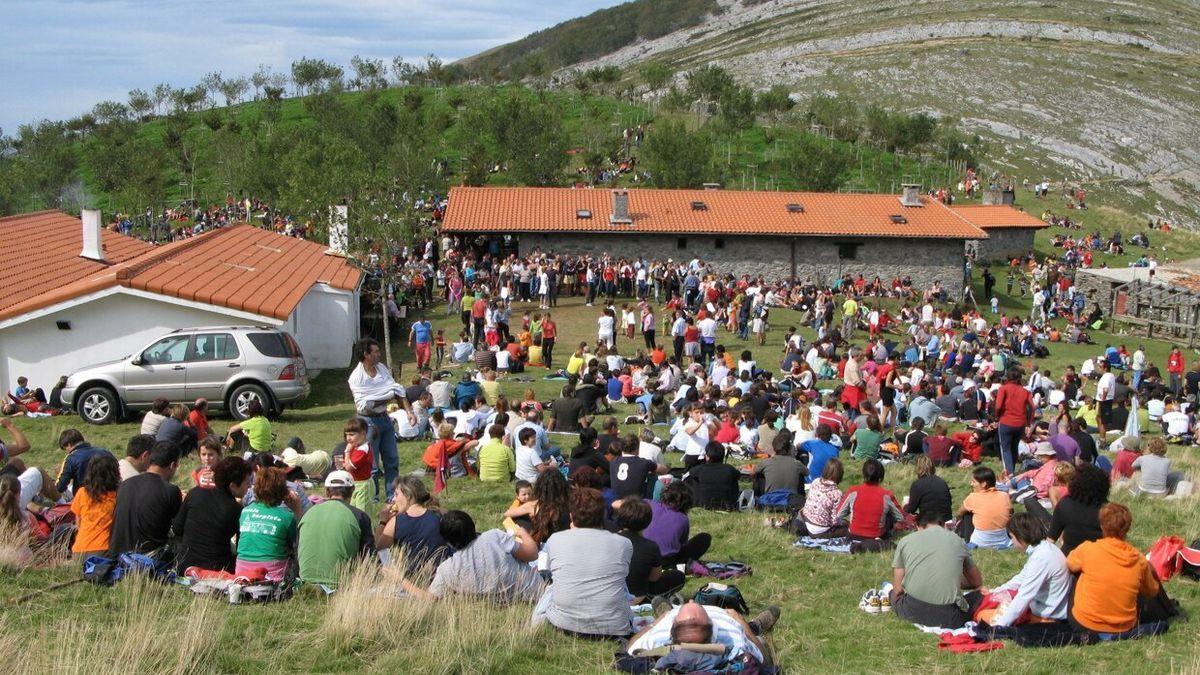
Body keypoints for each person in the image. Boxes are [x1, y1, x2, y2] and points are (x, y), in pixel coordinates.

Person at [532, 487, 634, 638]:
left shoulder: (555, 540)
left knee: (553, 587)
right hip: (613, 627)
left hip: (563, 624)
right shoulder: (623, 543)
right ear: (602, 515)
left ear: (571, 516)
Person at [1067, 503, 1163, 639]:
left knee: (1078, 572)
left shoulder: (1088, 549)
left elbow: (1070, 563)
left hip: (1085, 623)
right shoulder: (1138, 559)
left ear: (1102, 526)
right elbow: (1152, 591)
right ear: (1127, 529)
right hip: (1124, 626)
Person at [405, 510, 544, 602]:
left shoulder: (447, 569)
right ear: (472, 525)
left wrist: (400, 579)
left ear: (448, 541)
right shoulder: (494, 536)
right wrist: (523, 533)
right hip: (533, 591)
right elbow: (532, 554)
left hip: (501, 603)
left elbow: (430, 598)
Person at [889, 509, 984, 629]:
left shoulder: (905, 541)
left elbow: (898, 589)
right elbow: (977, 582)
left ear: (917, 526)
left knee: (892, 594)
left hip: (911, 611)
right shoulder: (958, 541)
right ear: (944, 525)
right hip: (949, 618)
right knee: (980, 595)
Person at [982, 513, 1070, 630]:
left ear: (1021, 536)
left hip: (1050, 615)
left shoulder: (1042, 557)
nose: (1012, 542)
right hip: (1049, 609)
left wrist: (999, 626)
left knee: (982, 615)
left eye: (1012, 537)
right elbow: (1021, 579)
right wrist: (994, 591)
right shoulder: (1044, 550)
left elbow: (1024, 595)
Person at [626, 600, 778, 668]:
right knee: (757, 639)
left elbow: (629, 647)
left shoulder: (655, 640)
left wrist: (656, 622)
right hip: (728, 618)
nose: (691, 599)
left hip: (671, 616)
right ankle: (754, 626)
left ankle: (668, 608)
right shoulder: (735, 642)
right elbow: (763, 659)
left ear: (670, 630)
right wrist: (740, 621)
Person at [172, 456, 253, 573]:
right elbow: (242, 548)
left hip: (184, 565)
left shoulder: (195, 493)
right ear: (232, 486)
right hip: (216, 570)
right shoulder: (237, 510)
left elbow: (177, 528)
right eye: (247, 483)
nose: (249, 486)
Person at [296, 470, 376, 586]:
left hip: (305, 582)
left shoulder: (308, 513)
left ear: (327, 491)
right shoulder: (359, 516)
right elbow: (368, 557)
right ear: (352, 491)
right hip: (342, 584)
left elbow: (297, 549)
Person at [347, 337, 403, 500]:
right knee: (371, 462)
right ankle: (373, 496)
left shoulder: (382, 369)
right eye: (376, 351)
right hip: (367, 422)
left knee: (392, 459)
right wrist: (386, 397)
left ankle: (392, 495)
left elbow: (394, 388)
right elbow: (364, 404)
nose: (379, 354)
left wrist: (383, 397)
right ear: (366, 354)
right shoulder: (357, 377)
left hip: (384, 417)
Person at [109, 441, 183, 555]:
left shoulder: (125, 484)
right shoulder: (170, 490)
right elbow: (178, 528)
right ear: (172, 465)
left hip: (117, 554)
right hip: (147, 558)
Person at [235, 466, 301, 581]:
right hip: (272, 577)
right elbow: (296, 543)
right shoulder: (287, 516)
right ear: (282, 490)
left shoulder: (245, 511)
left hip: (242, 573)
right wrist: (297, 509)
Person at [615, 497, 685, 602]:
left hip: (613, 594)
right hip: (639, 598)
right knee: (678, 577)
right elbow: (654, 578)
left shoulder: (609, 541)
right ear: (648, 520)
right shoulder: (651, 547)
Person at [375, 475, 445, 576]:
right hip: (441, 574)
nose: (394, 499)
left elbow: (379, 548)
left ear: (408, 496)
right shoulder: (440, 514)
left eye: (396, 494)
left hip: (413, 578)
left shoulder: (396, 522)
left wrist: (383, 522)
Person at [836, 459, 904, 552]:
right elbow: (900, 517)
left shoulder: (853, 491)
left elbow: (839, 514)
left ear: (864, 474)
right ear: (881, 477)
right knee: (889, 516)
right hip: (877, 537)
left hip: (853, 536)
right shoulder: (886, 495)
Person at [644, 482, 711, 566]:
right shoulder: (683, 519)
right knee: (705, 538)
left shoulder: (648, 504)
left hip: (640, 555)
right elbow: (682, 546)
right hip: (666, 561)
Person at [69, 454, 119, 557]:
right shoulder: (118, 495)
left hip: (79, 550)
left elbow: (79, 523)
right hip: (104, 550)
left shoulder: (82, 492)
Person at [958, 467, 1012, 550]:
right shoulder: (1004, 495)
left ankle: (965, 537)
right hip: (1002, 540)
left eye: (973, 482)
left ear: (983, 484)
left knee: (967, 513)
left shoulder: (973, 497)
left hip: (980, 542)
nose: (971, 484)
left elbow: (960, 512)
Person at [993, 367, 1034, 476]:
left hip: (1006, 421)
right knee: (1014, 447)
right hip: (1020, 423)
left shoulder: (1003, 388)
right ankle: (1013, 470)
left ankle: (1009, 474)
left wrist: (996, 416)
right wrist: (1028, 423)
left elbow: (998, 406)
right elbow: (1032, 407)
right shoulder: (1026, 391)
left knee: (1005, 449)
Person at [794, 458, 846, 537]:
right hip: (820, 530)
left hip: (806, 521)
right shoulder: (837, 494)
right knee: (847, 529)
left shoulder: (816, 481)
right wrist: (843, 522)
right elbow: (834, 520)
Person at [55, 429, 115, 494]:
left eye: (65, 449)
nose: (66, 452)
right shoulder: (105, 452)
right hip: (110, 497)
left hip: (85, 499)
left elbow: (60, 487)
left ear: (69, 445)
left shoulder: (71, 458)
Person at [684, 442, 741, 511]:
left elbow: (685, 478)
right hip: (727, 505)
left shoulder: (698, 469)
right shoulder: (730, 469)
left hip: (703, 504)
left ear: (707, 456)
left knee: (692, 479)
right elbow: (739, 476)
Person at [904, 455, 951, 525]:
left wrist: (905, 506)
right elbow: (949, 502)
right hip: (946, 519)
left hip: (929, 521)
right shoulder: (942, 482)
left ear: (918, 468)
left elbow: (911, 509)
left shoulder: (917, 485)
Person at [340, 418, 375, 510]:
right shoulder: (356, 447)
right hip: (355, 483)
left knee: (362, 511)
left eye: (352, 435)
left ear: (363, 434)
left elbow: (348, 467)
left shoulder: (362, 450)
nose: (348, 438)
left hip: (363, 485)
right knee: (353, 509)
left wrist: (347, 451)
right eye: (347, 435)